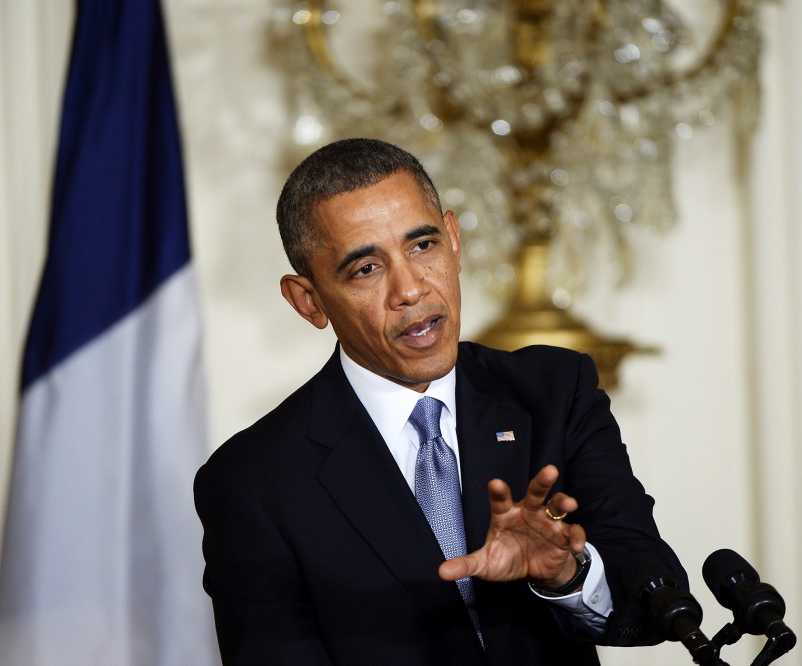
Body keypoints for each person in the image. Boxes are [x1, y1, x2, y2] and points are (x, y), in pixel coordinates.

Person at [194, 138, 687, 665]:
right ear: (309, 301)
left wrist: (567, 573)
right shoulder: (252, 480)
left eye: (422, 245)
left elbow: (655, 594)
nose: (410, 289)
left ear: (453, 240)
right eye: (366, 269)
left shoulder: (554, 392)